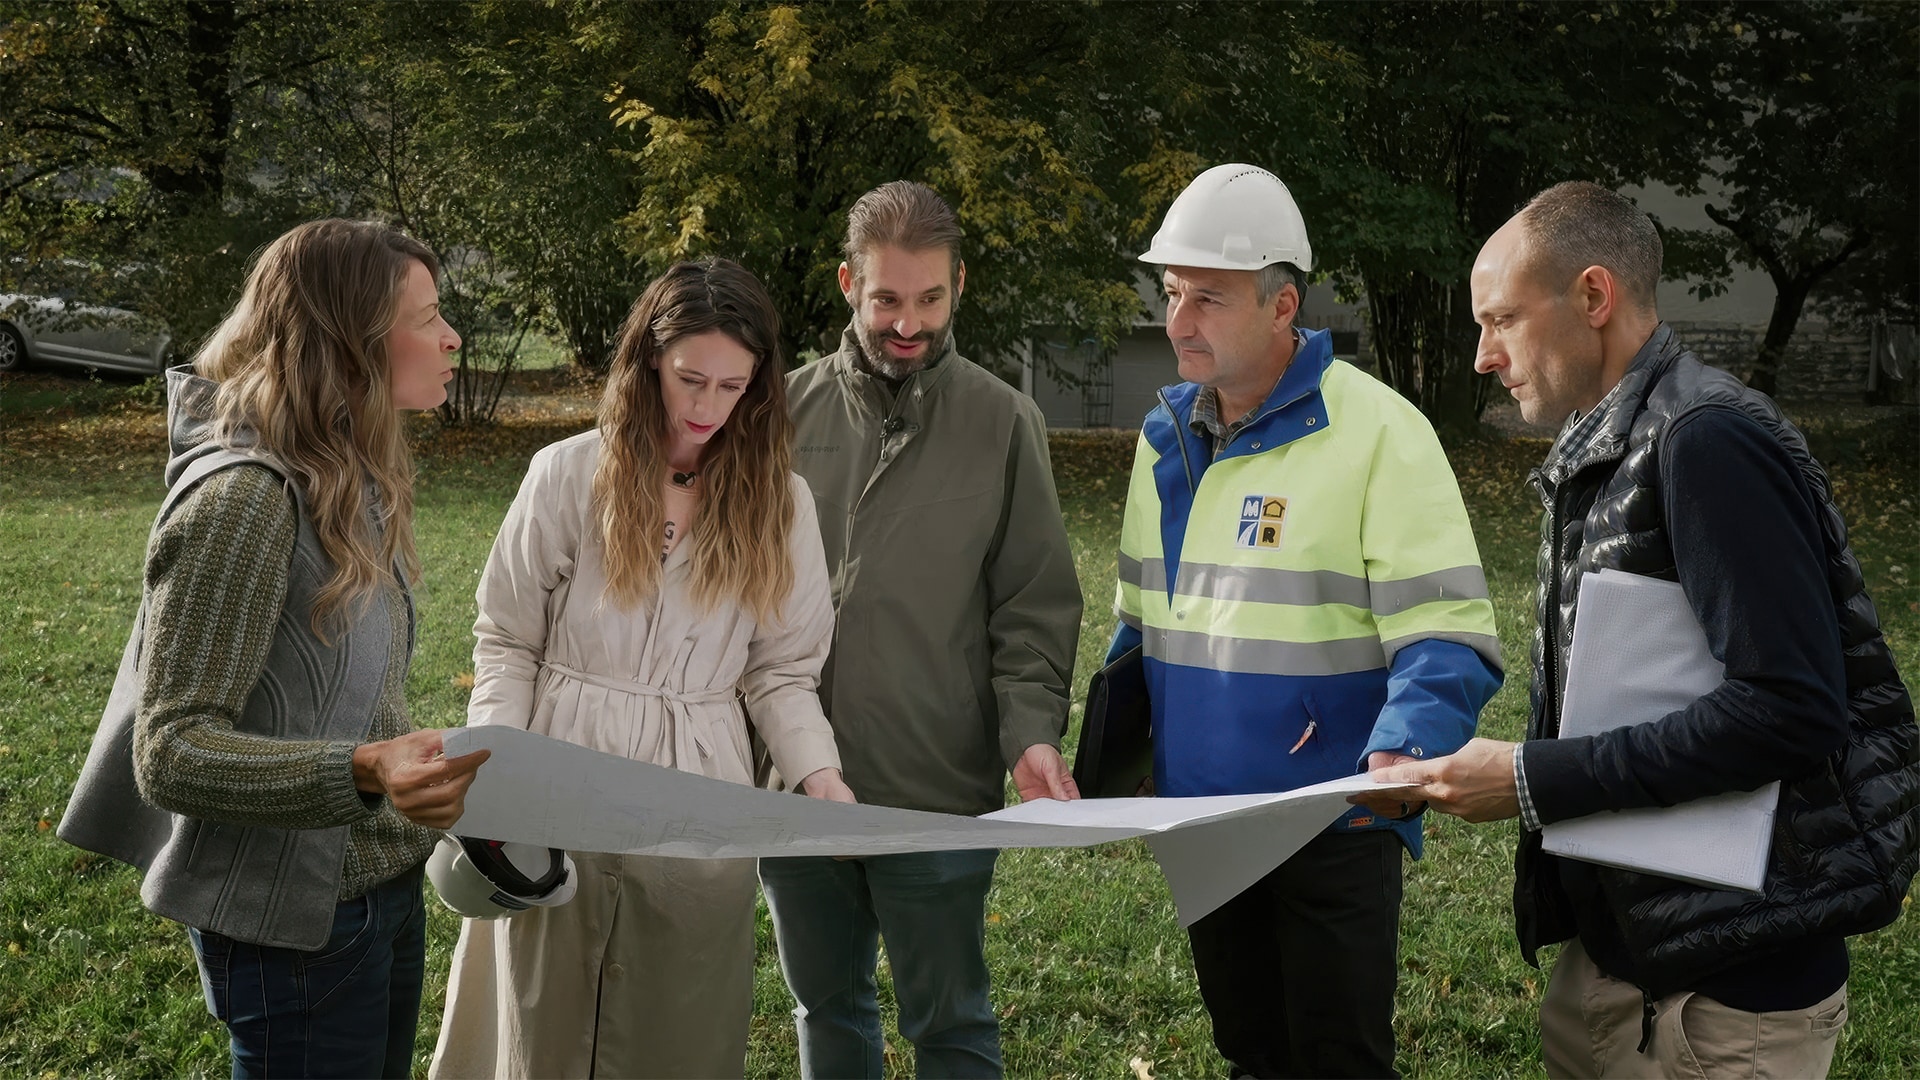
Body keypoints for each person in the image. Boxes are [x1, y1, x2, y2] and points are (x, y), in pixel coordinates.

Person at [1370, 181, 1919, 1079]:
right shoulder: (1613, 438)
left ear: (1593, 296)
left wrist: (1526, 776)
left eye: (1501, 319)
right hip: (1624, 964)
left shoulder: (1706, 440)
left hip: (1729, 995)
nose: (1482, 355)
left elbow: (1794, 711)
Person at [59, 218, 492, 1079]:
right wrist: (366, 768)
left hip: (377, 886)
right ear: (349, 343)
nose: (452, 338)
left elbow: (328, 689)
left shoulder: (345, 473)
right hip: (292, 927)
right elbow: (171, 751)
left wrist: (397, 762)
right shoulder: (245, 502)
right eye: (428, 317)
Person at [1108, 163, 1504, 1079]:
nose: (1176, 323)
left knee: (1337, 1063)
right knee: (1250, 1053)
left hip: (1333, 822)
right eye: (1172, 294)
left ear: (1283, 306)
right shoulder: (1162, 437)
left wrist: (1399, 753)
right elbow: (1142, 625)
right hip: (1205, 817)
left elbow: (1449, 630)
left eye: (1208, 298)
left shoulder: (1379, 431)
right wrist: (1118, 755)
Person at [430, 257, 856, 1080]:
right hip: (561, 771)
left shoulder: (783, 501)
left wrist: (820, 776)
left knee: (673, 1026)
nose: (705, 408)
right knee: (540, 1022)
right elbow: (509, 641)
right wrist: (498, 769)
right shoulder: (565, 475)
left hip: (697, 791)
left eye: (732, 388)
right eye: (689, 378)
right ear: (647, 362)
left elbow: (780, 672)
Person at [759, 180, 1084, 1079]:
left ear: (959, 288)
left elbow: (1034, 602)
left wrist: (1030, 734)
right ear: (847, 285)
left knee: (949, 1024)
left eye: (930, 298)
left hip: (935, 784)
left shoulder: (1003, 421)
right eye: (888, 299)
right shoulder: (777, 415)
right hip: (793, 787)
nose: (910, 322)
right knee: (825, 1008)